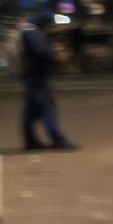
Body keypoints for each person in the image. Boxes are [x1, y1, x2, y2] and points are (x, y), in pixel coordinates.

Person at [19, 15, 73, 151]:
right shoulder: (34, 35)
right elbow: (42, 52)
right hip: (38, 80)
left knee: (31, 113)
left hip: (33, 79)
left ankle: (30, 141)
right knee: (48, 109)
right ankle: (58, 140)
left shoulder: (32, 35)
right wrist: (53, 52)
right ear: (45, 25)